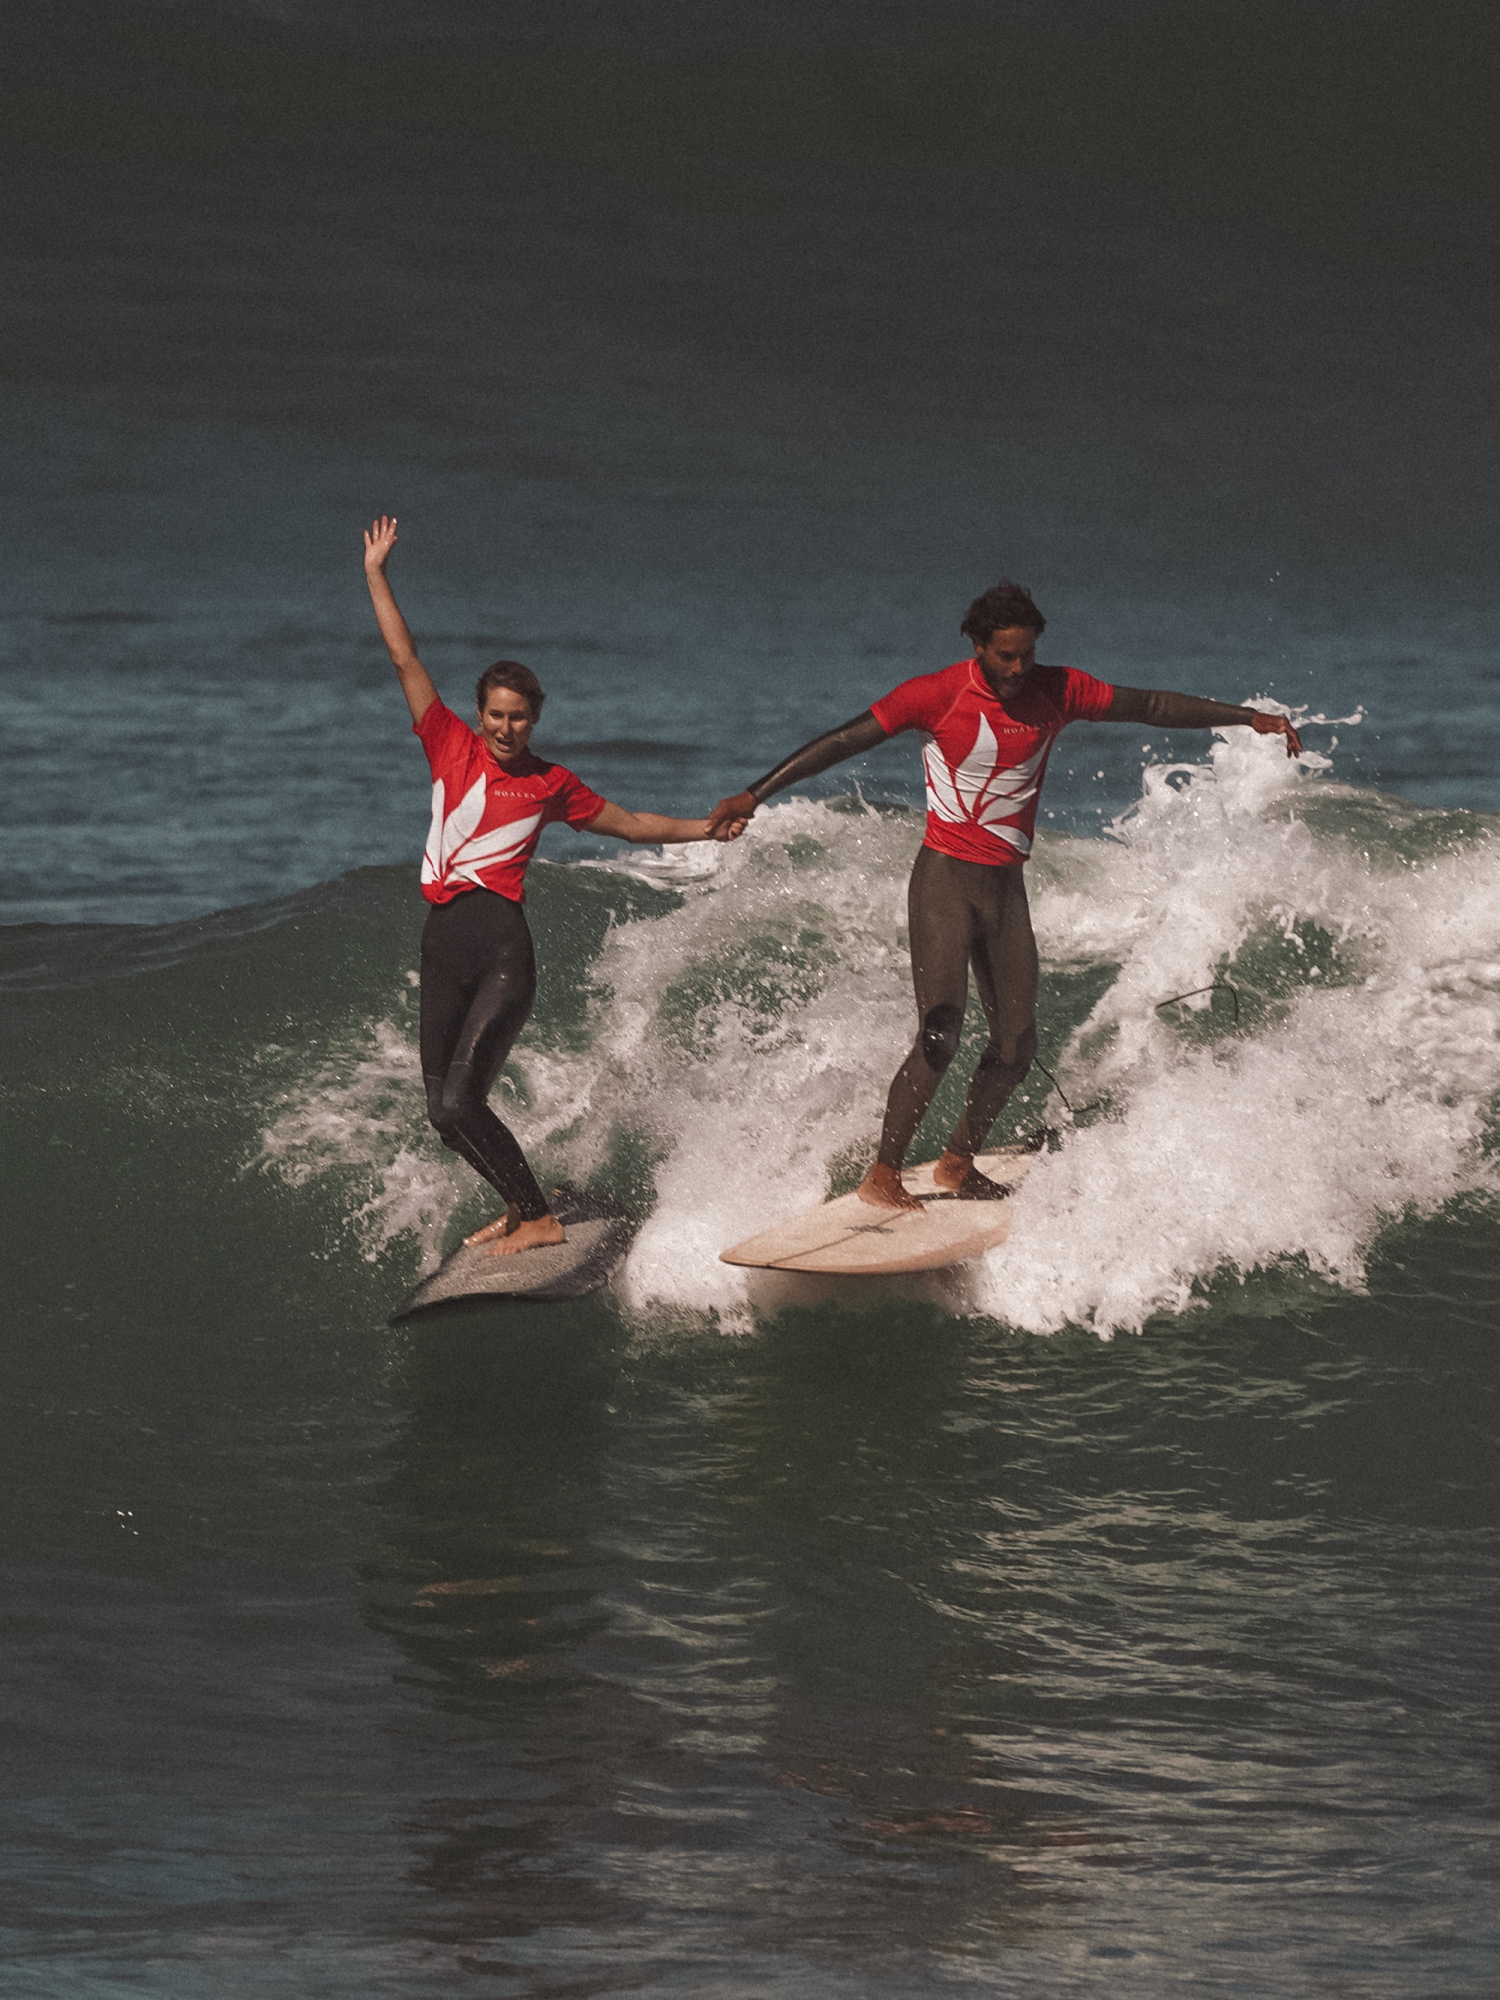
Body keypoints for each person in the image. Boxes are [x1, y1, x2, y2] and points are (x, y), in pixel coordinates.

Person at [707, 580, 1303, 1212]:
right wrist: (755, 794)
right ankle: (882, 1174)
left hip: (1006, 892)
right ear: (978, 646)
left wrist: (1247, 718)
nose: (1019, 669)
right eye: (1006, 656)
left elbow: (1150, 703)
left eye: (1028, 655)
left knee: (1017, 1046)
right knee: (940, 1036)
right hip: (945, 883)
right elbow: (842, 741)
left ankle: (956, 1163)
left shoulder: (1059, 690)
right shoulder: (935, 694)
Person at [364, 517, 730, 1257]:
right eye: (496, 715)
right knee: (443, 1114)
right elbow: (404, 658)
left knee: (461, 1101)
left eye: (520, 718)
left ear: (535, 720)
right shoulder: (448, 745)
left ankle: (537, 1216)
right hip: (443, 946)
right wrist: (376, 572)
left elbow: (629, 825)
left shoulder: (550, 783)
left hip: (502, 951)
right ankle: (520, 1204)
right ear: (479, 715)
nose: (506, 728)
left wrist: (704, 827)